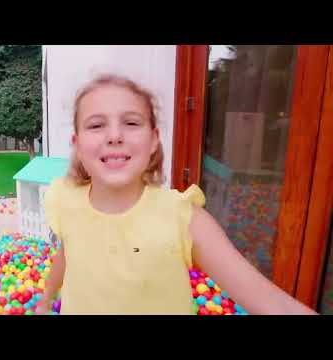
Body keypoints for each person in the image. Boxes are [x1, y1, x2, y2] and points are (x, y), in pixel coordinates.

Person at [36, 74, 317, 315]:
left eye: (131, 123)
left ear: (154, 140)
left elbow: (271, 302)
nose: (114, 135)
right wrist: (46, 299)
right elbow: (69, 251)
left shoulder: (182, 218)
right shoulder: (66, 200)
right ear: (77, 143)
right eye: (96, 125)